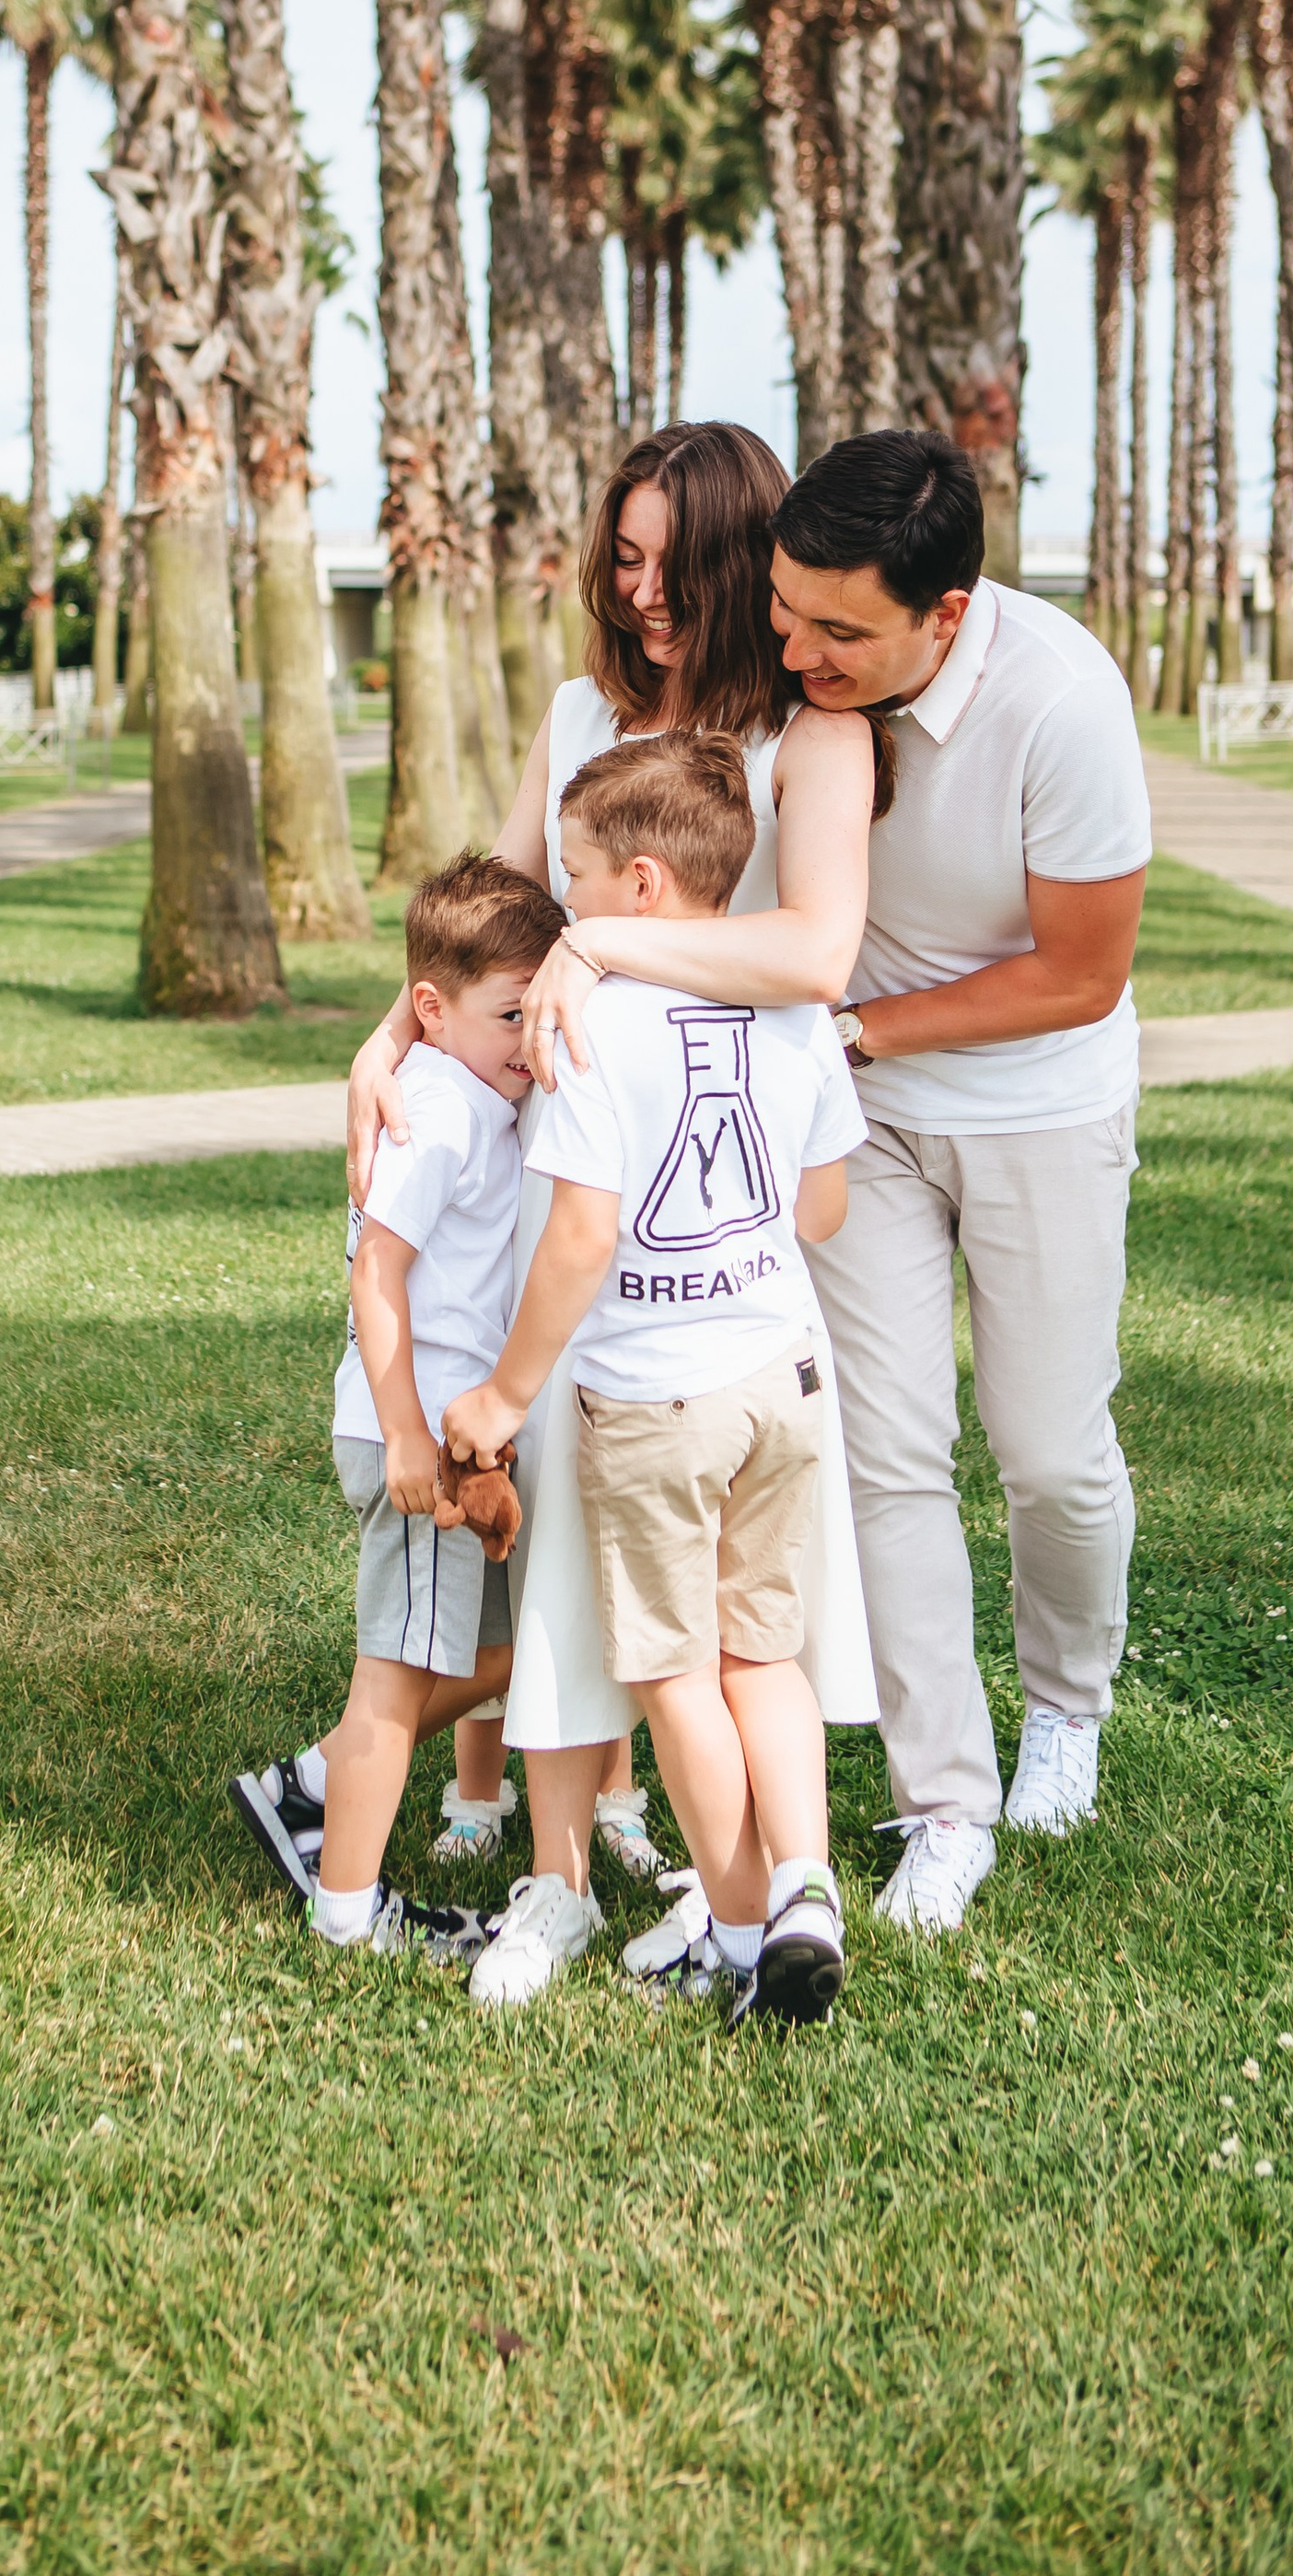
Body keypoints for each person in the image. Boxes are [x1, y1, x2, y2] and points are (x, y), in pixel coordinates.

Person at [528, 426, 1150, 1941]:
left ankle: (1066, 1699)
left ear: (945, 614)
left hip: (1030, 1096)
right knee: (887, 1457)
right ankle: (948, 1800)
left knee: (1052, 1455)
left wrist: (849, 1026)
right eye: (788, 610)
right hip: (844, 1125)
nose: (797, 646)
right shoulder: (811, 704)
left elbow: (1079, 974)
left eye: (837, 629)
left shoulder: (1060, 704)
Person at [345, 422, 882, 1999]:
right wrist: (394, 1038)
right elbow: (501, 914)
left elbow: (808, 955)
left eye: (676, 563)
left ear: (742, 563)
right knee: (577, 1573)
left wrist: (611, 953)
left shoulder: (809, 738)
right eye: (622, 557)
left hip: (703, 1266)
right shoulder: (585, 717)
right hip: (585, 1216)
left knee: (708, 1624)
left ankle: (753, 1890)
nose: (644, 594)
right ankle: (567, 1876)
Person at [445, 733, 864, 2023]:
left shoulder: (587, 1016)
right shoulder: (791, 1008)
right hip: (784, 1382)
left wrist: (505, 1397)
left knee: (678, 1679)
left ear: (636, 884)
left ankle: (743, 1939)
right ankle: (806, 1882)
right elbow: (825, 1209)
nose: (559, 902)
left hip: (651, 1404)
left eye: (570, 876)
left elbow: (580, 1237)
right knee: (767, 1663)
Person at [230, 852, 565, 1952]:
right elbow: (376, 1274)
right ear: (430, 1008)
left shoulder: (482, 1093)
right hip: (407, 1432)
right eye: (510, 1013)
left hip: (450, 1434)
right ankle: (348, 1911)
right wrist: (413, 1436)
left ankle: (310, 1783)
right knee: (400, 1672)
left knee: (507, 1647)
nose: (531, 1037)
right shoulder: (440, 1111)